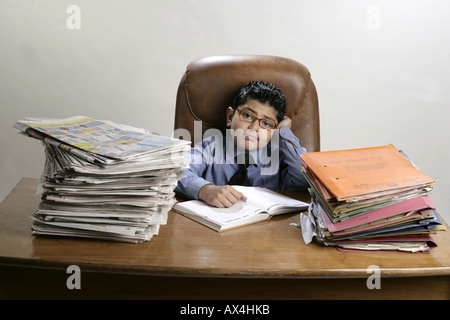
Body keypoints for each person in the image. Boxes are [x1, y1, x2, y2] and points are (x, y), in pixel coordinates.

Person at [175, 81, 309, 208]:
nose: (254, 127)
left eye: (266, 124)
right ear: (230, 117)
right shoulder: (211, 147)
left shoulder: (279, 156)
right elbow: (175, 170)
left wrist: (284, 133)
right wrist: (205, 189)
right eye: (247, 115)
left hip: (265, 228)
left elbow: (305, 181)